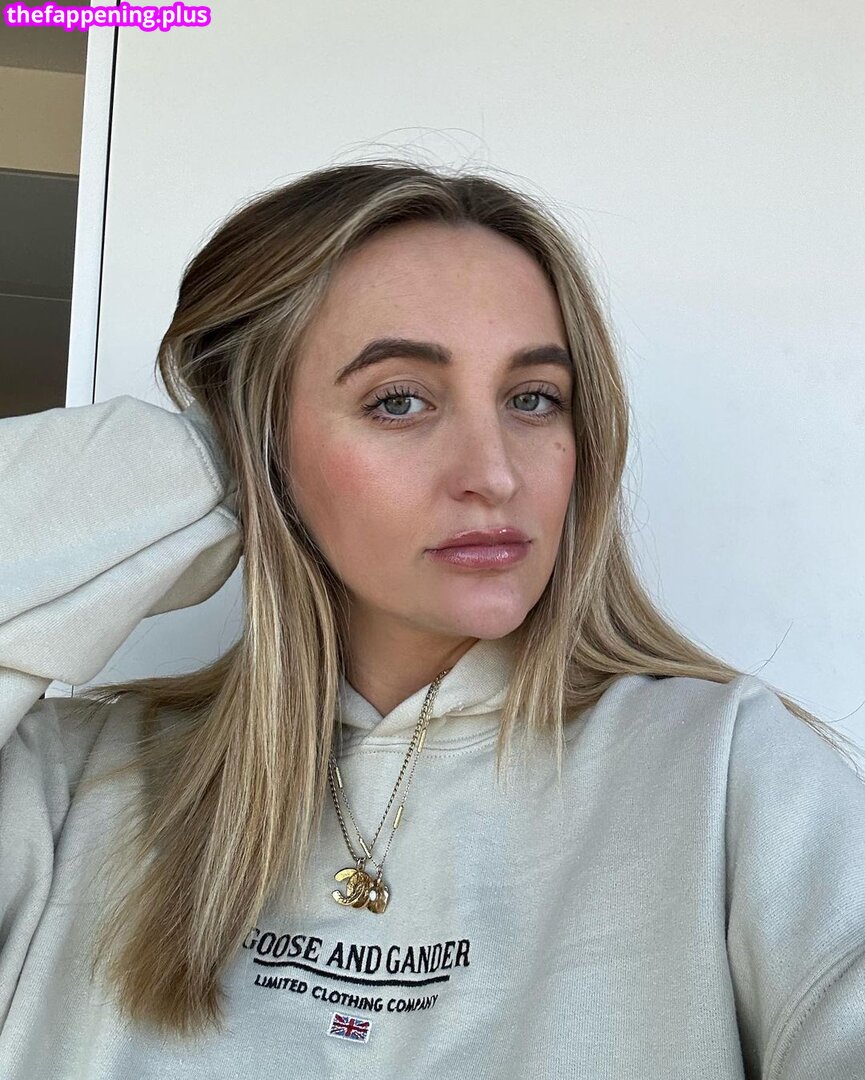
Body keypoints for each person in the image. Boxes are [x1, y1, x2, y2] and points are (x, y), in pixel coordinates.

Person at [1, 160, 863, 1078]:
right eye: (399, 401)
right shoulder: (70, 786)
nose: (493, 473)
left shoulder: (729, 770)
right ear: (262, 442)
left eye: (533, 399)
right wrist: (201, 463)